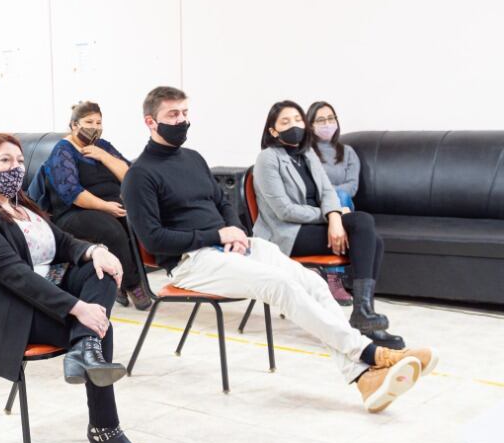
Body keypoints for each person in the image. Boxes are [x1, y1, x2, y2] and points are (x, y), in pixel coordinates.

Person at [122, 86, 438, 414]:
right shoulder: (139, 175)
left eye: (185, 113)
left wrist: (234, 232)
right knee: (280, 285)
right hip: (191, 262)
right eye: (173, 115)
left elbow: (223, 205)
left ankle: (363, 378)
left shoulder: (194, 158)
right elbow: (155, 240)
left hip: (233, 248)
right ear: (150, 121)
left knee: (313, 283)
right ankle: (372, 355)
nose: (182, 121)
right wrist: (215, 233)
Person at [0, 134, 151, 443]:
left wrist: (95, 250)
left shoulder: (21, 206)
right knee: (101, 328)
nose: (14, 167)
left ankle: (85, 348)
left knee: (100, 271)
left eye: (18, 160)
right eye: (4, 161)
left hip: (37, 297)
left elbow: (66, 242)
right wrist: (77, 307)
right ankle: (105, 431)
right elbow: (16, 276)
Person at [252, 101, 401, 339]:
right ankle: (364, 315)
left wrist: (334, 217)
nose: (294, 125)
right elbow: (284, 211)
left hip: (314, 223)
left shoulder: (307, 153)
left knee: (367, 229)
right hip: (286, 233)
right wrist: (331, 216)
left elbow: (328, 192)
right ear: (272, 130)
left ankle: (364, 313)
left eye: (298, 119)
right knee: (367, 232)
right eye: (285, 121)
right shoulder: (267, 159)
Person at [39, 102, 151, 311]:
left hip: (112, 205)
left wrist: (104, 157)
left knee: (134, 222)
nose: (95, 127)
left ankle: (118, 284)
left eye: (98, 122)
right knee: (112, 231)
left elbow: (130, 176)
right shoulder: (63, 151)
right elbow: (72, 193)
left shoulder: (104, 146)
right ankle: (132, 284)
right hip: (75, 211)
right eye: (89, 122)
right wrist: (105, 207)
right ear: (74, 125)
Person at [305, 101, 361, 211]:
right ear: (311, 126)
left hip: (342, 203)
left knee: (342, 195)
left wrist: (329, 192)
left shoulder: (348, 152)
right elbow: (310, 187)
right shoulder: (306, 153)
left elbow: (352, 186)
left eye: (331, 118)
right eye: (321, 120)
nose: (327, 123)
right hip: (317, 205)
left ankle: (338, 224)